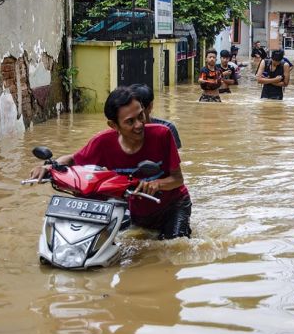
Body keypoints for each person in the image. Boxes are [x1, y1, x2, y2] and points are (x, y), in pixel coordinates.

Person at [30, 86, 191, 240]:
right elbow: (73, 159)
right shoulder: (103, 143)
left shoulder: (162, 134)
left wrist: (157, 183)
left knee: (173, 247)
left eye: (141, 116)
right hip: (137, 212)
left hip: (173, 206)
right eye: (130, 121)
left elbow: (178, 179)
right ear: (114, 125)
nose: (139, 125)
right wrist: (50, 167)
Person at [129, 83, 182, 149]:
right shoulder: (124, 130)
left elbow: (174, 156)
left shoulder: (167, 129)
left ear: (150, 107)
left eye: (139, 114)